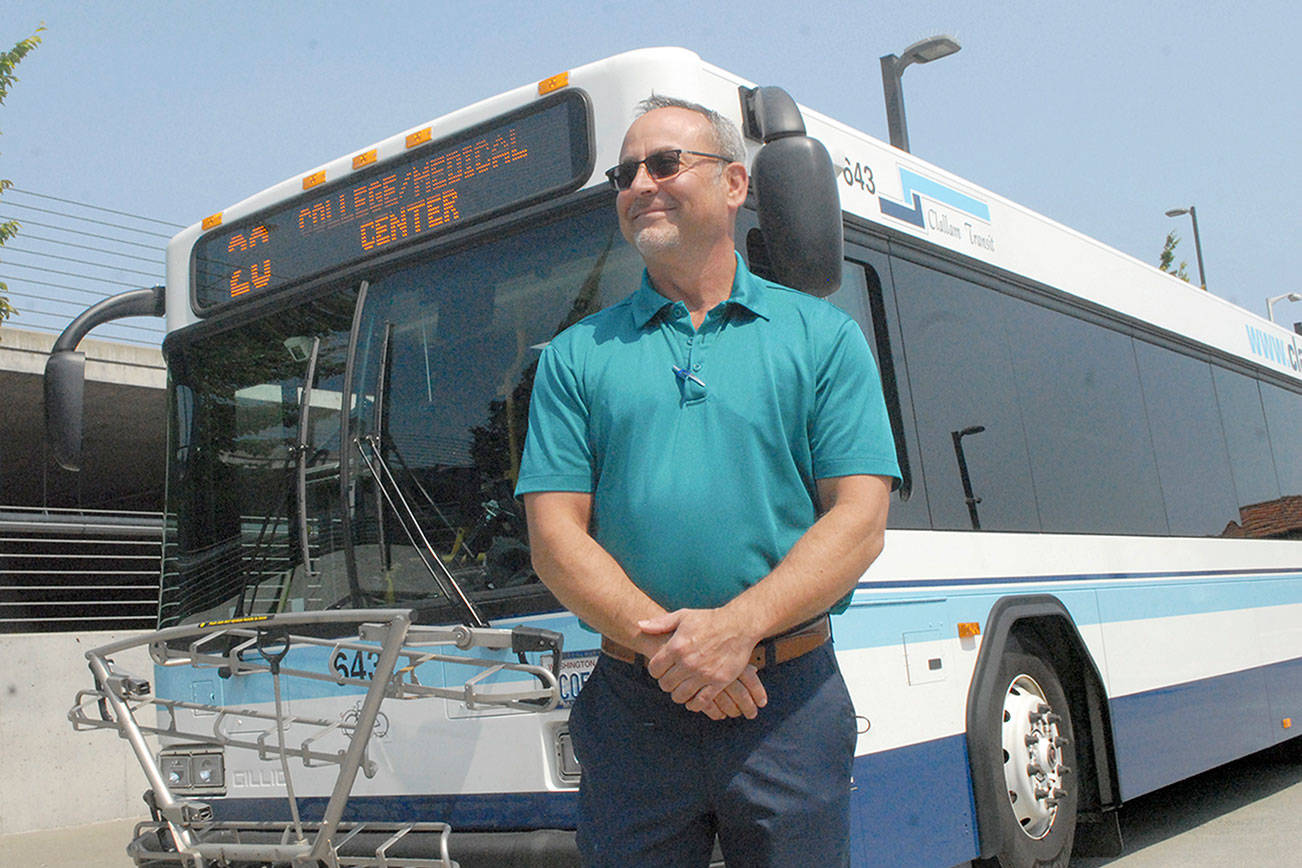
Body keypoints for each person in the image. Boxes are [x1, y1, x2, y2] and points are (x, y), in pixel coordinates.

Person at [515, 94, 900, 867]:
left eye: (664, 163)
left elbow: (859, 521)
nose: (640, 184)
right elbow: (556, 541)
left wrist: (738, 630)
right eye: (626, 173)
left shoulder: (823, 339)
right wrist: (684, 654)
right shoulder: (572, 358)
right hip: (633, 714)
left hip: (786, 706)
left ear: (733, 184)